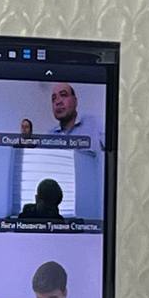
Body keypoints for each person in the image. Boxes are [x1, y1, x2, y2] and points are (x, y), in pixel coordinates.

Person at [48, 82, 105, 220]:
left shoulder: (96, 124)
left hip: (94, 210)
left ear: (75, 101)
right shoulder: (49, 136)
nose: (58, 102)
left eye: (63, 95)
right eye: (54, 99)